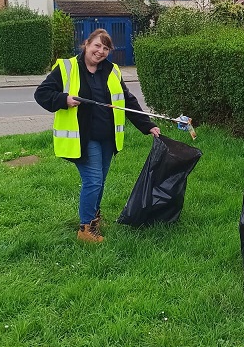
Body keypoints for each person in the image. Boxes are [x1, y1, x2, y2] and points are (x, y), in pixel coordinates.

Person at [35, 29, 160, 243]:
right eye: (97, 45)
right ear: (87, 44)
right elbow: (41, 94)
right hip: (84, 139)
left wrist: (147, 126)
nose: (100, 51)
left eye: (105, 48)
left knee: (100, 181)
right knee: (93, 181)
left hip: (107, 138)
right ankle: (85, 229)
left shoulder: (112, 71)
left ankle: (94, 218)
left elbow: (127, 101)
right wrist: (63, 99)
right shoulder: (67, 68)